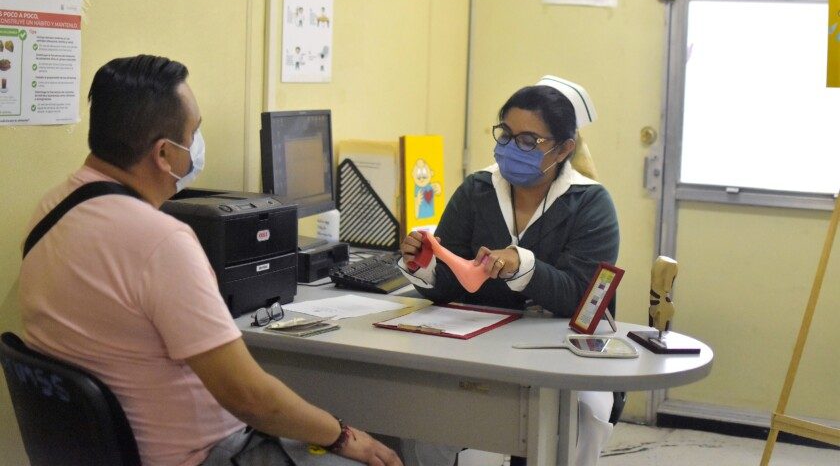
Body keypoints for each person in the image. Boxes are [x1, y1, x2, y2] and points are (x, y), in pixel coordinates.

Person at [18, 55, 402, 466]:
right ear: (164, 154)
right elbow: (251, 399)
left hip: (103, 452)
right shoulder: (160, 241)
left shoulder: (49, 211)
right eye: (194, 132)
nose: (197, 145)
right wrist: (343, 436)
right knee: (378, 454)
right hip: (208, 456)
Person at [398, 75, 620, 466]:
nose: (512, 147)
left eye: (529, 141)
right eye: (506, 133)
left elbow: (580, 298)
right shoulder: (477, 190)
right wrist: (428, 264)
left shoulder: (590, 203)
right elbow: (452, 285)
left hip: (564, 356)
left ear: (564, 147)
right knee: (424, 422)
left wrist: (525, 264)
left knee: (583, 418)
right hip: (482, 350)